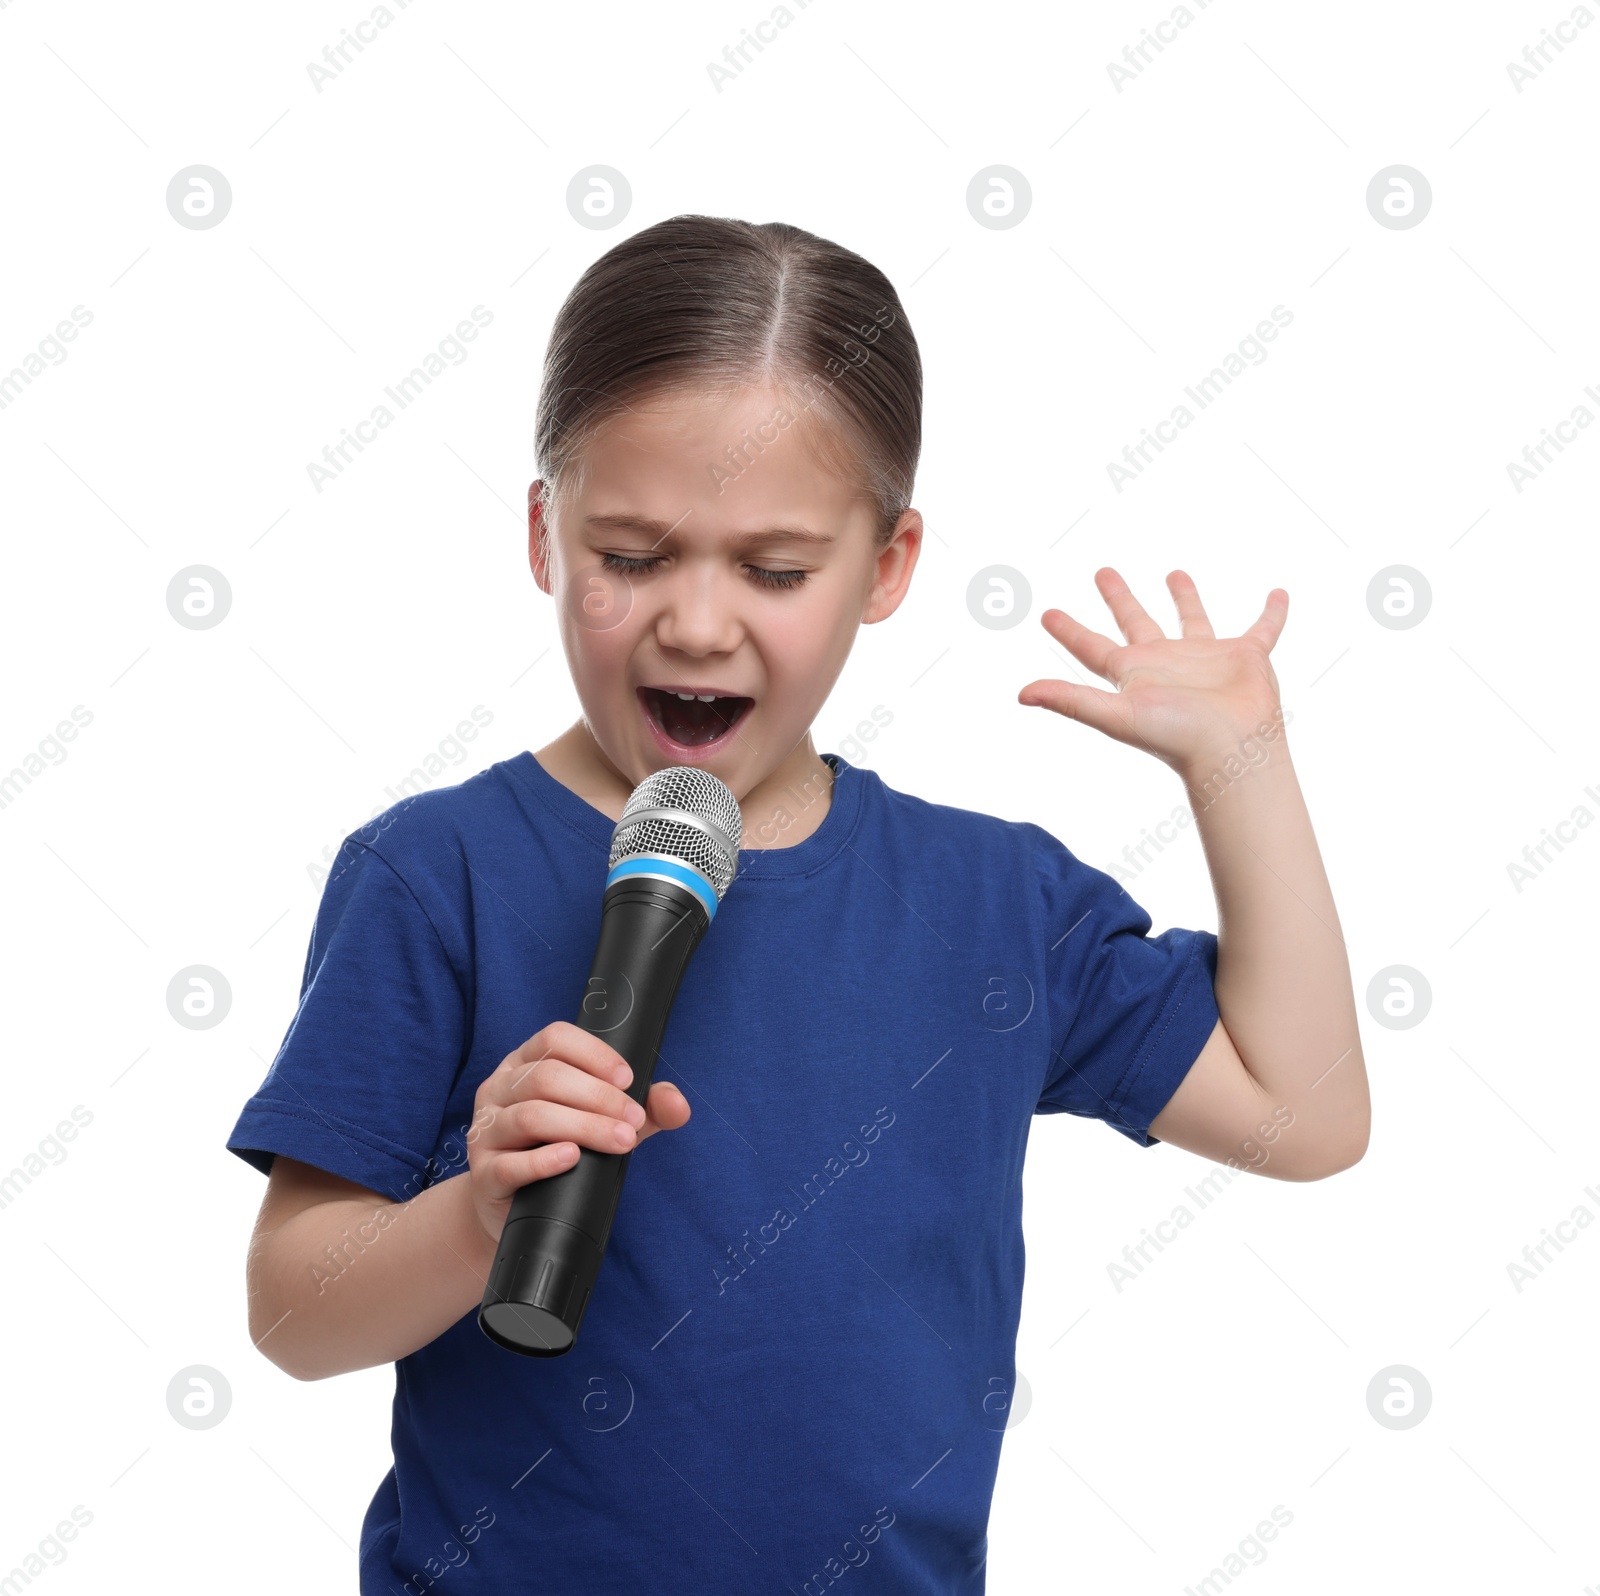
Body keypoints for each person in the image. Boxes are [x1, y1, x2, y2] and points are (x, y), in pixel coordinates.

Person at [228, 214, 1370, 1595]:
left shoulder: (991, 900)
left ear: (886, 566)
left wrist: (1242, 768)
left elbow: (1303, 1119)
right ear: (544, 532)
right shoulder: (436, 873)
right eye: (633, 555)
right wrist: (475, 1214)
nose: (697, 624)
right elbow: (294, 1312)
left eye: (773, 570)